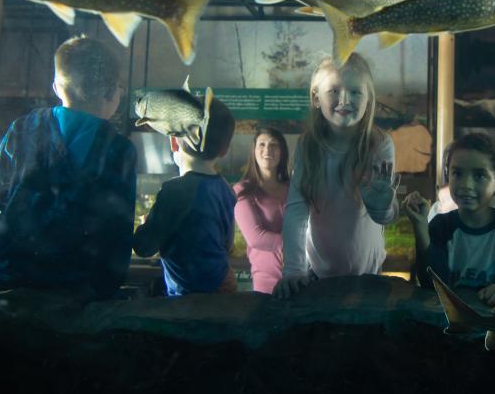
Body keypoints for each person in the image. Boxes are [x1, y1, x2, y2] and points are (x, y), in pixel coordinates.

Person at [0, 36, 136, 306]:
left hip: (3, 280)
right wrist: (104, 292)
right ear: (114, 93)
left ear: (57, 87)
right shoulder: (120, 150)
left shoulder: (24, 129)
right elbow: (118, 232)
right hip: (70, 290)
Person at [273, 53, 399, 298]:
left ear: (369, 99)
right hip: (318, 272)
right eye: (333, 91)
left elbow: (388, 215)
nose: (344, 99)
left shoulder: (379, 144)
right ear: (316, 98)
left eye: (355, 92)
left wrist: (382, 206)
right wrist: (293, 271)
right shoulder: (308, 145)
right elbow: (297, 211)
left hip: (369, 273)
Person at [404, 133, 495, 315]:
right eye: (457, 173)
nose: (466, 185)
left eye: (479, 176)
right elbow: (430, 285)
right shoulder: (440, 225)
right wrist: (420, 226)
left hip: (492, 328)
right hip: (446, 327)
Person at [132, 96, 237, 296]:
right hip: (221, 292)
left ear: (173, 140)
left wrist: (148, 226)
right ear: (224, 151)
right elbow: (228, 245)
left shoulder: (175, 191)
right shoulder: (226, 189)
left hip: (186, 301)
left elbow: (144, 247)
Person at [233, 127, 291, 294]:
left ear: (282, 152)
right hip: (267, 283)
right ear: (254, 150)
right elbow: (256, 238)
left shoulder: (293, 188)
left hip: (299, 278)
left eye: (274, 145)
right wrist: (298, 245)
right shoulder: (242, 190)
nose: (267, 150)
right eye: (262, 144)